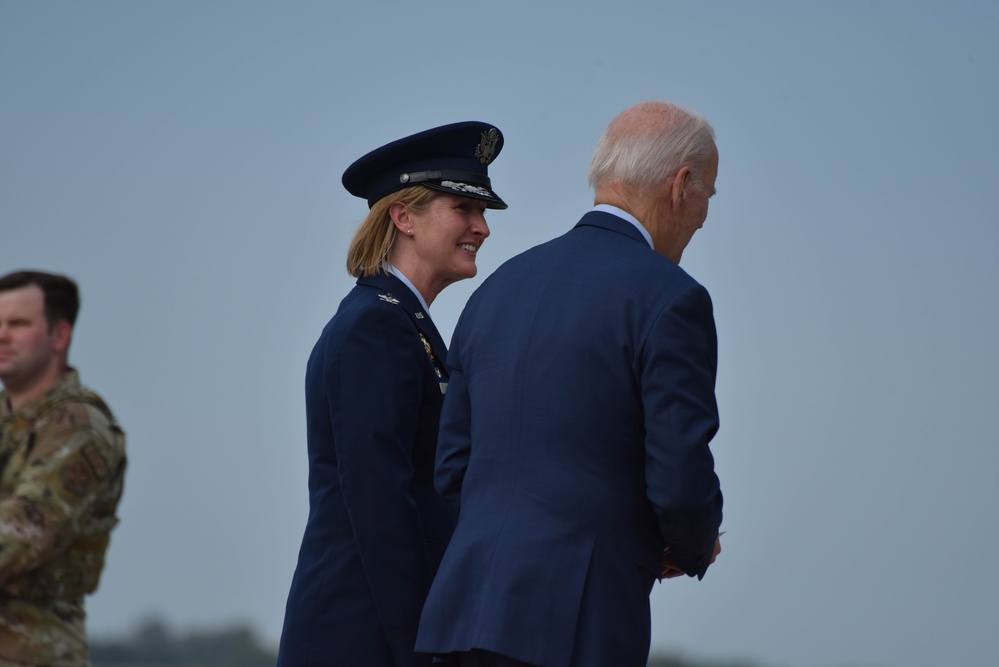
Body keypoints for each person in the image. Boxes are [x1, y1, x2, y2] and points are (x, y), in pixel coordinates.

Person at [415, 101, 725, 667]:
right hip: (576, 622)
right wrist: (693, 542)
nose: (706, 213)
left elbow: (453, 467)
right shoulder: (672, 297)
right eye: (710, 192)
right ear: (681, 185)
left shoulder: (496, 291)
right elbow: (679, 475)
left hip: (461, 616)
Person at [277, 121, 508, 667]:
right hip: (365, 634)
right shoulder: (374, 327)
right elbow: (380, 502)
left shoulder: (403, 323)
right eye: (464, 210)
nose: (483, 228)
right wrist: (421, 644)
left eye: (483, 214)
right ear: (403, 217)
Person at [0, 270, 127, 667]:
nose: (2, 335)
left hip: (32, 652)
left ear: (60, 336)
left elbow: (22, 534)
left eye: (18, 324)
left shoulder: (80, 427)